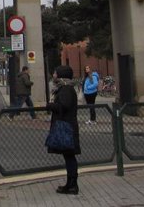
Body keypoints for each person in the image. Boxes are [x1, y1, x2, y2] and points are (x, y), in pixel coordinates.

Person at [46, 65, 80, 195]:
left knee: (69, 156)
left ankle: (72, 185)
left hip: (66, 127)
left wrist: (50, 106)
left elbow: (64, 105)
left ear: (60, 75)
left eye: (55, 73)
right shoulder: (65, 88)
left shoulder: (65, 89)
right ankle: (70, 183)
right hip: (67, 125)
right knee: (68, 156)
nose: (53, 75)